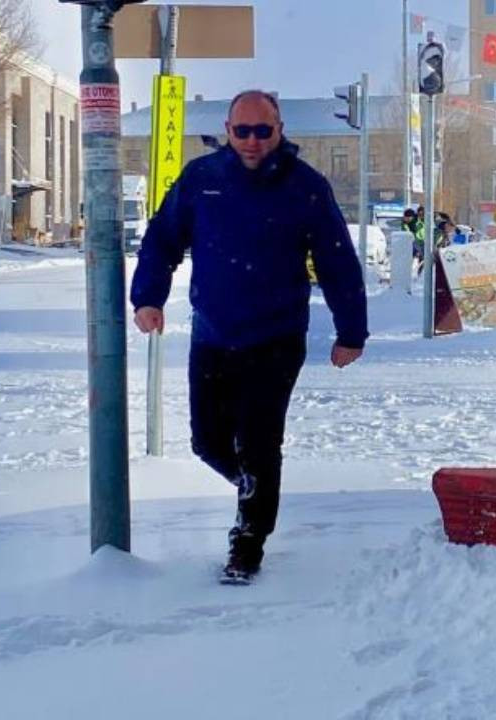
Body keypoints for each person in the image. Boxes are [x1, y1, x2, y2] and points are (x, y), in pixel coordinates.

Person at [130, 90, 368, 584]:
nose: (253, 141)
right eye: (243, 131)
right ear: (228, 129)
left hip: (276, 336)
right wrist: (148, 298)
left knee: (259, 441)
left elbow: (337, 262)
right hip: (213, 333)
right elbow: (162, 238)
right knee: (207, 441)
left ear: (280, 130)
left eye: (264, 131)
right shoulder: (203, 180)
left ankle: (248, 540)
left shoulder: (305, 187)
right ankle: (255, 487)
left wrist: (351, 332)